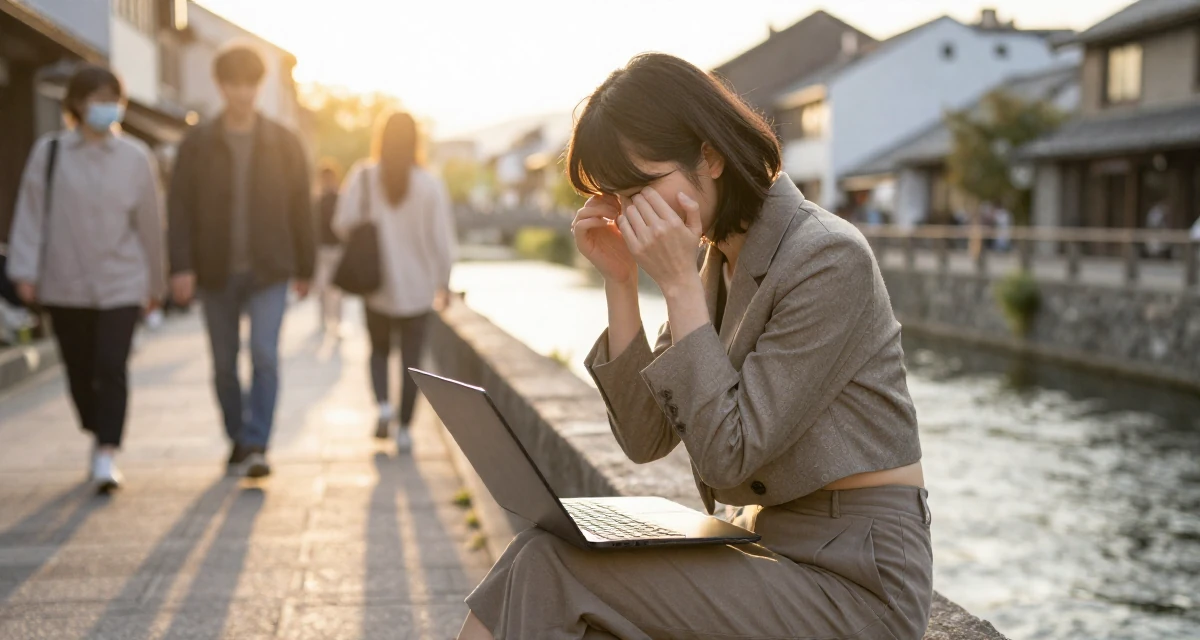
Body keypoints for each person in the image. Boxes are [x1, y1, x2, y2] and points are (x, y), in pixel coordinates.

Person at [457, 53, 931, 640]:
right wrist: (621, 281)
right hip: (768, 551)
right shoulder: (712, 261)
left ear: (708, 155)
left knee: (551, 568)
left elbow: (729, 455)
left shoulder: (828, 258)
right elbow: (644, 436)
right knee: (551, 569)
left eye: (641, 189)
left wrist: (677, 283)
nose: (632, 215)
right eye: (618, 198)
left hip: (858, 581)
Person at [6, 65, 166, 492]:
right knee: (79, 369)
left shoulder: (136, 157)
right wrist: (23, 270)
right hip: (66, 280)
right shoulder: (51, 152)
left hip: (121, 281)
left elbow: (151, 224)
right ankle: (97, 429)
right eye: (96, 98)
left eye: (112, 97)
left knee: (111, 365)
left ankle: (106, 452)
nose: (106, 107)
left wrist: (156, 283)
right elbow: (31, 212)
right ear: (76, 103)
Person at [167, 45, 315, 478]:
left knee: (265, 353)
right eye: (234, 83)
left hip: (270, 267)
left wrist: (306, 267)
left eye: (250, 83)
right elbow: (179, 208)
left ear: (260, 85)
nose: (243, 92)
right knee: (223, 362)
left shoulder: (283, 142)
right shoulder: (198, 143)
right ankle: (238, 434)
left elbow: (300, 208)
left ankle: (257, 442)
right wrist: (180, 266)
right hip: (215, 269)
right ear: (220, 86)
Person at [333, 112, 456, 449]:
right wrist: (443, 284)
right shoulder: (429, 184)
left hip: (377, 286)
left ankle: (384, 407)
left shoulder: (364, 176)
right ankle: (404, 429)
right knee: (412, 360)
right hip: (418, 290)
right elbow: (442, 243)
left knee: (378, 350)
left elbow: (341, 223)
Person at [313, 160, 345, 335]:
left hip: (336, 249)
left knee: (335, 290)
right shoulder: (318, 201)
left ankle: (335, 322)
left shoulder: (340, 199)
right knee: (323, 288)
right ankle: (325, 321)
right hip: (322, 249)